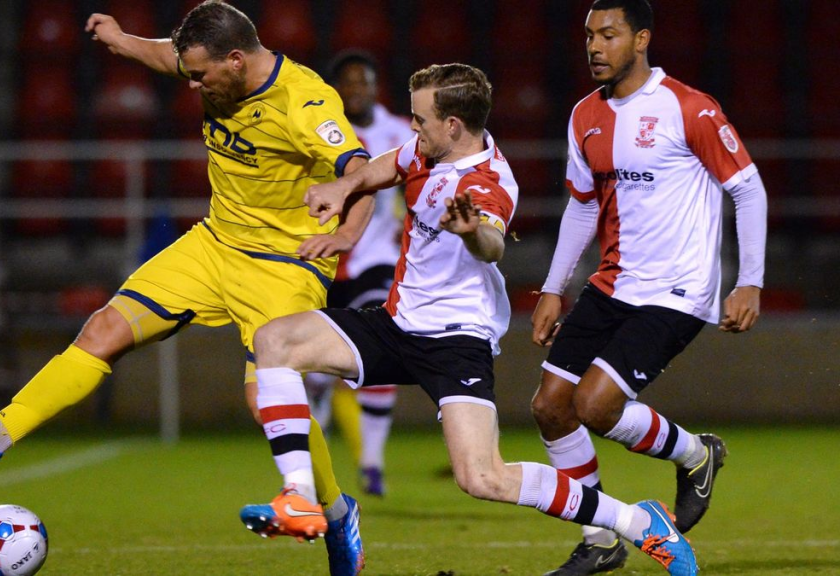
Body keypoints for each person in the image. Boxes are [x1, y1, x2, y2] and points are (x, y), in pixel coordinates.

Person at [0, 2, 371, 574]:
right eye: (189, 73)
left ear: (235, 60)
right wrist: (122, 38)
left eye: (200, 75)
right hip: (215, 244)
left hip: (286, 264)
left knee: (264, 400)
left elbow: (361, 169)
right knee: (103, 328)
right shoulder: (213, 66)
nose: (193, 85)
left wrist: (346, 232)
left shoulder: (305, 101)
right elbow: (165, 57)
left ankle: (335, 511)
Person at [244, 62, 699, 576]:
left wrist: (470, 232)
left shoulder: (487, 182)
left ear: (453, 125)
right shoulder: (427, 148)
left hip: (455, 342)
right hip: (396, 325)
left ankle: (637, 521)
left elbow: (493, 243)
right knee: (274, 341)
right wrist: (343, 187)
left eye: (420, 120)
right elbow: (386, 165)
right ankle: (301, 495)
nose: (412, 128)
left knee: (483, 478)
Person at [529, 1, 767, 574]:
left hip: (678, 290)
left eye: (608, 35)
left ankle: (695, 453)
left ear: (641, 39)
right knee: (551, 408)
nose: (594, 46)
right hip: (613, 283)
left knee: (595, 405)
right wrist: (553, 288)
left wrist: (750, 281)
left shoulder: (689, 107)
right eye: (589, 35)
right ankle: (600, 538)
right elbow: (581, 206)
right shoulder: (585, 114)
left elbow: (748, 189)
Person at [303, 50, 414, 497]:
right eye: (347, 82)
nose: (356, 90)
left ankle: (371, 462)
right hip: (322, 259)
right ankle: (316, 463)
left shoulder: (399, 132)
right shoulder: (317, 132)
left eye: (363, 81)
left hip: (375, 258)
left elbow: (425, 184)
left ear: (375, 87)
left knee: (382, 345)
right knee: (315, 369)